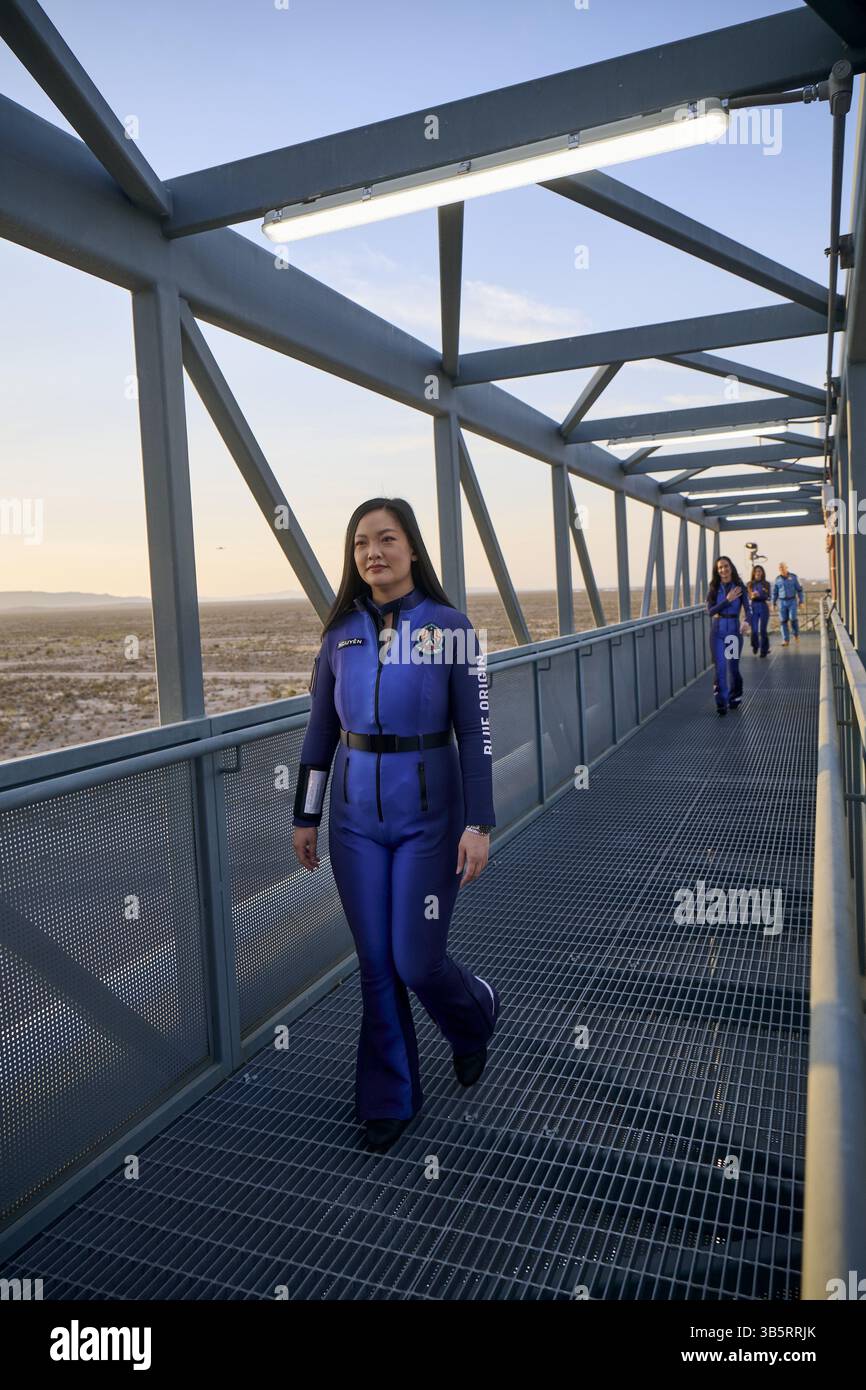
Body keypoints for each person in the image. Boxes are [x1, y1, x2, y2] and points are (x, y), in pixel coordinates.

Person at [291, 496, 500, 1153]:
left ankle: (475, 1016)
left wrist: (480, 824)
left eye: (386, 539)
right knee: (376, 963)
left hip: (429, 822)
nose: (372, 553)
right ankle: (389, 1094)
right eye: (360, 544)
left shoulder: (451, 627)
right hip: (353, 824)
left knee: (417, 959)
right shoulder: (340, 635)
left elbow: (477, 732)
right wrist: (306, 813)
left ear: (412, 549)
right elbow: (319, 733)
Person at [706, 555, 752, 715]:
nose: (723, 569)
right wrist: (727, 600)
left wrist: (746, 621)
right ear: (717, 571)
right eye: (720, 568)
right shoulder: (713, 588)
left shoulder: (739, 587)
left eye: (725, 566)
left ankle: (735, 697)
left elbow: (748, 609)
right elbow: (710, 611)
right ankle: (721, 702)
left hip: (733, 631)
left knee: (732, 667)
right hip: (717, 631)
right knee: (720, 667)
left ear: (730, 567)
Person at [772, 562, 805, 646]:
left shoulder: (793, 577)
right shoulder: (777, 579)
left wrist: (801, 601)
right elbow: (775, 592)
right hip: (782, 602)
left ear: (786, 567)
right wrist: (773, 603)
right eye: (780, 568)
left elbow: (800, 590)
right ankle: (785, 640)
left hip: (792, 601)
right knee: (783, 621)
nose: (781, 569)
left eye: (783, 567)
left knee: (793, 618)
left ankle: (796, 634)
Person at [747, 563, 771, 658]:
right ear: (753, 573)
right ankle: (755, 645)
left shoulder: (766, 584)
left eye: (759, 571)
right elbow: (748, 596)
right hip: (753, 607)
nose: (758, 573)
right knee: (754, 630)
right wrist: (752, 596)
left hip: (763, 607)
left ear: (762, 573)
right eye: (756, 571)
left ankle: (764, 650)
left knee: (763, 630)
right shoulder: (749, 584)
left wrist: (759, 595)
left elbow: (768, 596)